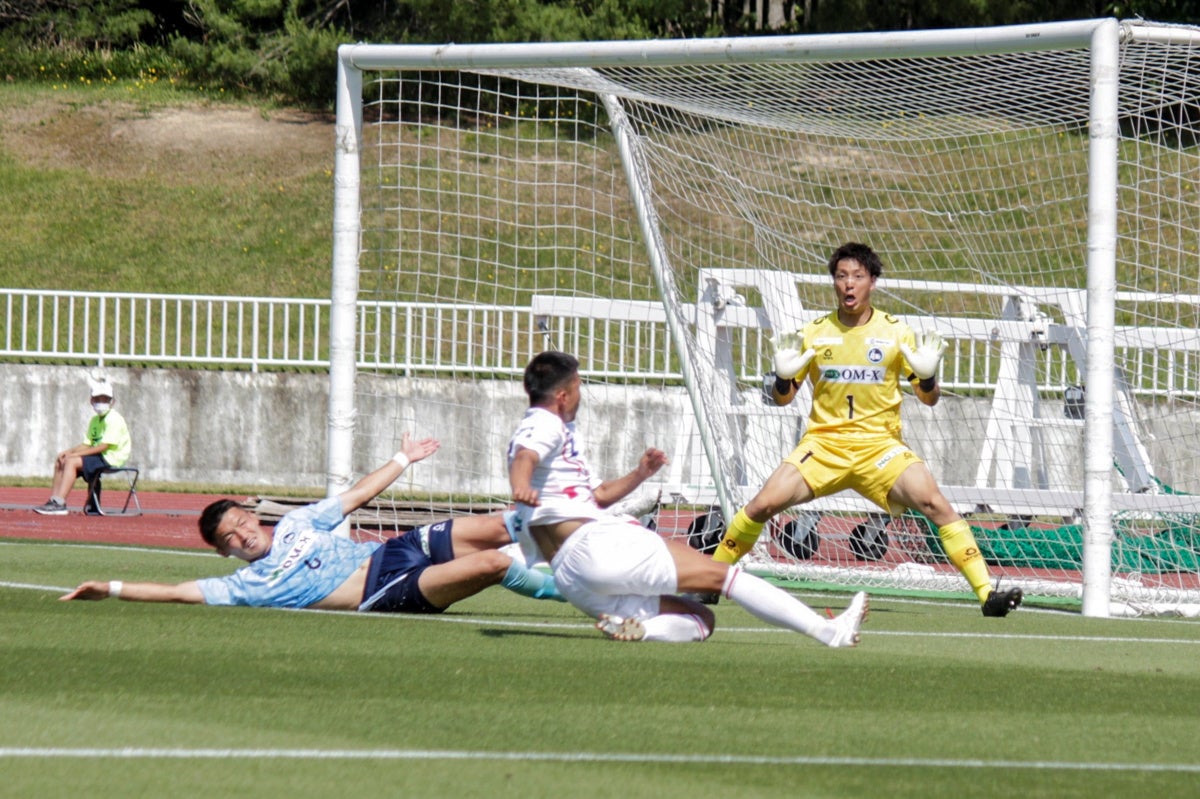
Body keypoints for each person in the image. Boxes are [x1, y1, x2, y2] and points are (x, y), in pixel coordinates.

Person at [709, 241, 1023, 617]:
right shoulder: (813, 333)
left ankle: (987, 595)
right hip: (824, 446)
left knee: (935, 504)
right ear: (834, 283)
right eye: (841, 277)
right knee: (761, 505)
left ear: (872, 281)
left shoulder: (895, 332)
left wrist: (927, 377)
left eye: (857, 277)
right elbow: (783, 399)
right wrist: (781, 378)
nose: (848, 285)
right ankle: (709, 581)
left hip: (880, 448)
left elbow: (930, 399)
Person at [506, 350, 868, 645]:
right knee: (725, 577)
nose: (582, 393)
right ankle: (829, 631)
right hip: (595, 546)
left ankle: (643, 629)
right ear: (563, 395)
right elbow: (527, 456)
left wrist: (640, 474)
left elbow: (596, 495)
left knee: (700, 619)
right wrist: (519, 483)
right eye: (579, 386)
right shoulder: (544, 423)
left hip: (572, 577)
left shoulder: (552, 433)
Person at [60, 433, 564, 612]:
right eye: (230, 537)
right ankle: (578, 595)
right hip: (389, 592)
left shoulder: (299, 522)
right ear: (223, 551)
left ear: (252, 516)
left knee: (503, 525)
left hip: (398, 548)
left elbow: (355, 497)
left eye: (241, 522)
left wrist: (402, 459)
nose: (243, 534)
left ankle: (589, 522)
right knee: (495, 563)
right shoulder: (246, 586)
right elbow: (177, 592)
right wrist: (112, 587)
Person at [34, 372, 133, 516]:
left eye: (105, 399)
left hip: (111, 457)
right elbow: (87, 443)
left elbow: (103, 446)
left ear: (112, 401)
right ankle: (53, 500)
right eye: (98, 399)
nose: (101, 402)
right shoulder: (94, 420)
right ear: (91, 400)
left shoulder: (114, 419)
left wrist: (75, 455)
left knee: (72, 462)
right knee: (61, 459)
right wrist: (68, 452)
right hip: (100, 455)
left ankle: (59, 503)